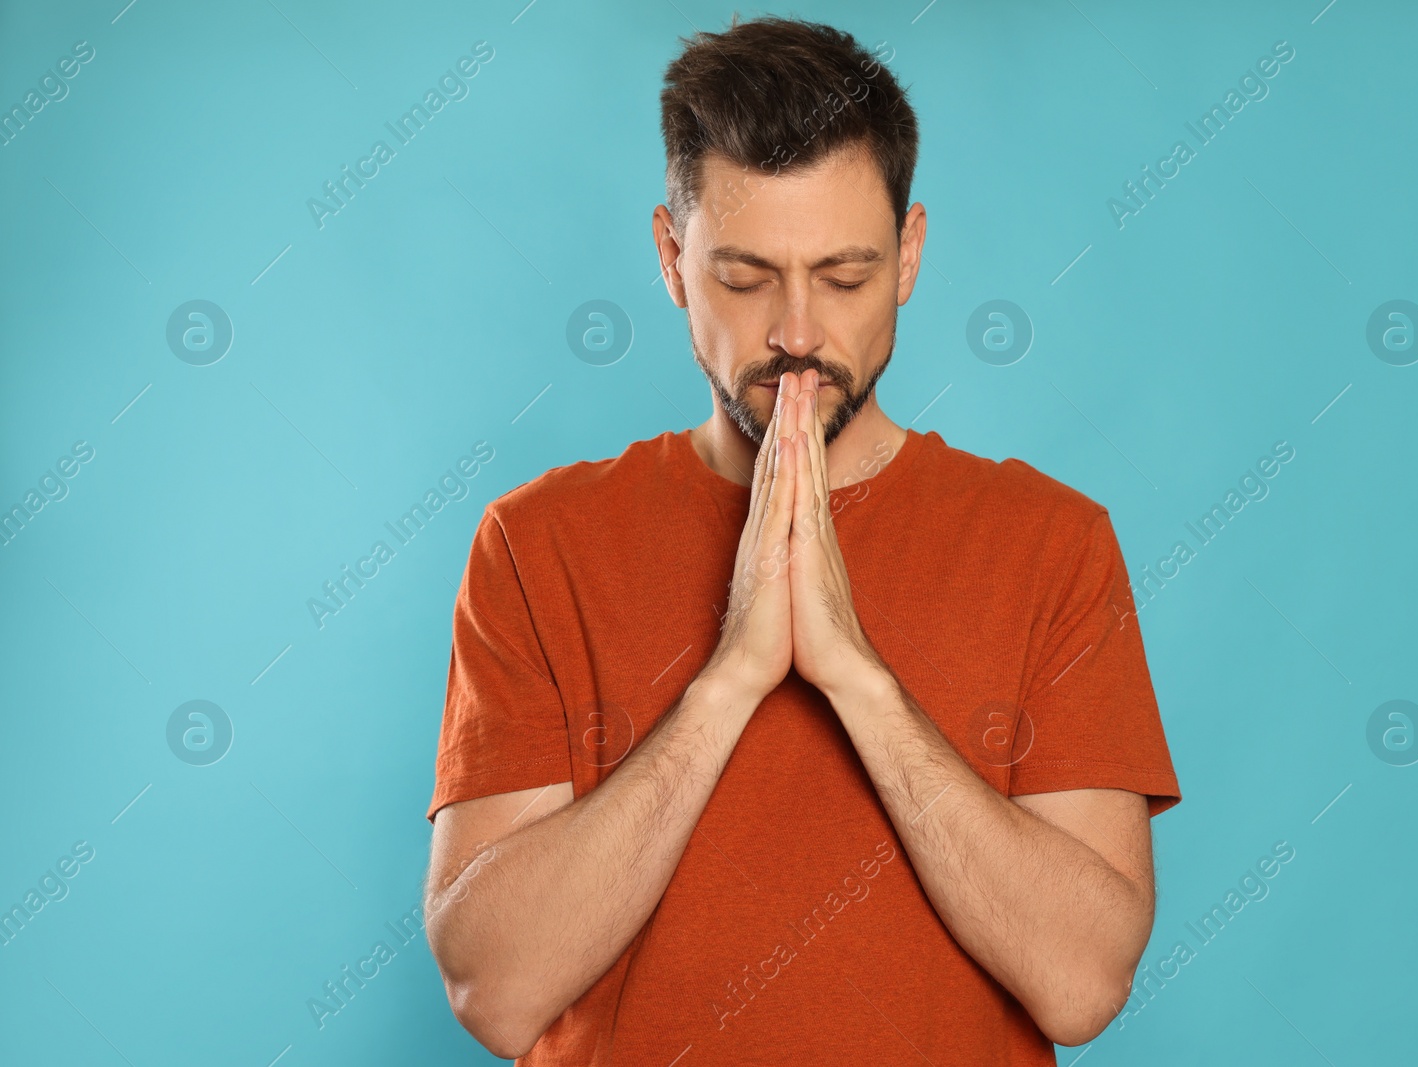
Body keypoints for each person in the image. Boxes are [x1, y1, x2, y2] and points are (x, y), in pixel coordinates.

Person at [423, 15, 1181, 1064]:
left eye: (843, 275)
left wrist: (854, 677)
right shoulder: (535, 543)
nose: (794, 334)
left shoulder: (1052, 544)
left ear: (908, 255)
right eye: (743, 277)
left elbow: (1082, 983)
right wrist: (732, 674)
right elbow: (493, 988)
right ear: (670, 258)